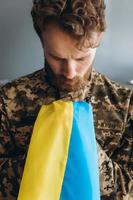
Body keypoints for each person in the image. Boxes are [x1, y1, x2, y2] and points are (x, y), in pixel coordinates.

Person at [0, 0, 133, 199]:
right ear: (41, 39)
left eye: (81, 58)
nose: (70, 72)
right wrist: (43, 152)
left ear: (99, 39)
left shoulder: (126, 105)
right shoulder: (7, 100)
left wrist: (85, 151)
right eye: (57, 57)